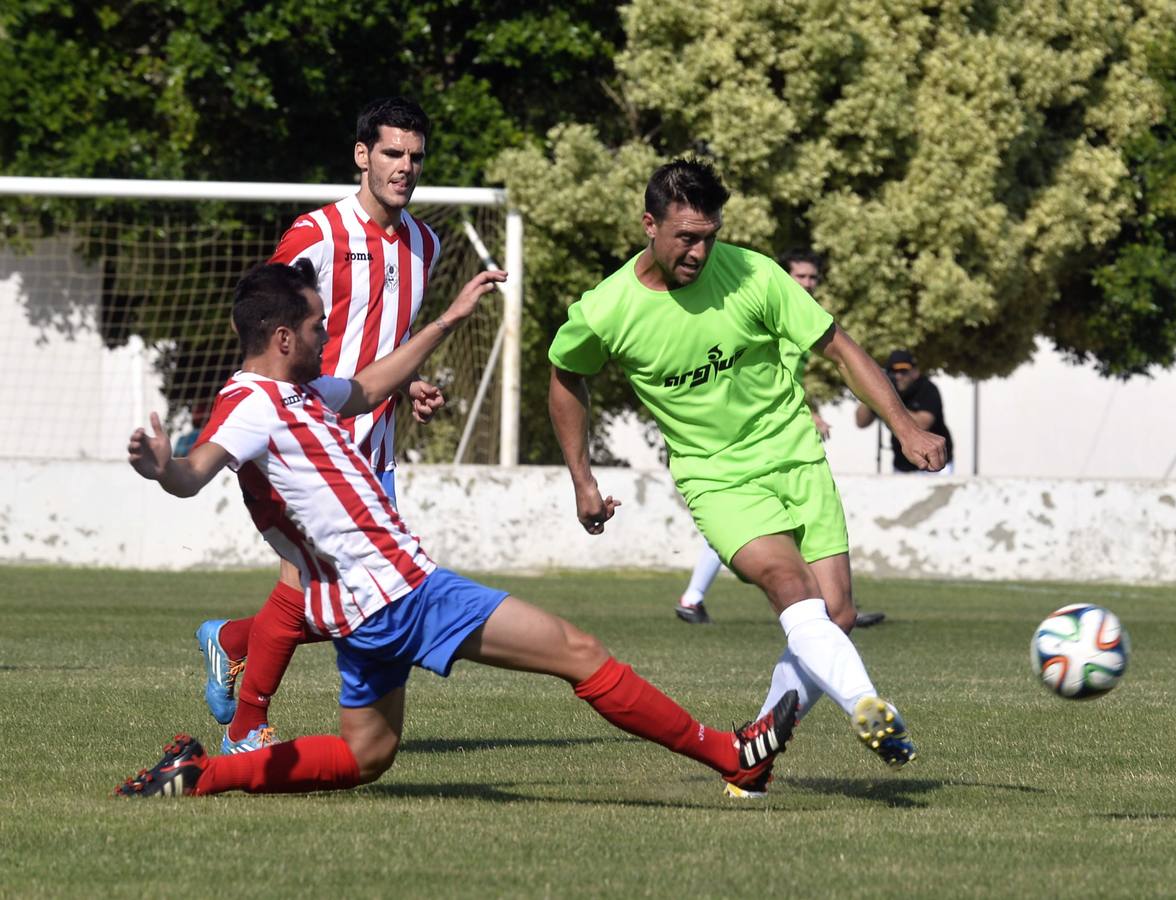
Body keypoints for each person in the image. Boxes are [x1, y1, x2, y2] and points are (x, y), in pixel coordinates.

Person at [115, 260, 797, 799]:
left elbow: (373, 386)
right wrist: (161, 466)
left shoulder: (299, 394)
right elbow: (194, 472)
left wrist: (447, 319)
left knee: (366, 754)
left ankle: (199, 774)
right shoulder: (252, 407)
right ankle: (731, 756)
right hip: (401, 592)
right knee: (577, 650)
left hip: (363, 607)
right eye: (320, 325)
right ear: (283, 337)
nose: (327, 335)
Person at [547, 160, 947, 797]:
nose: (700, 251)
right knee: (790, 585)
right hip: (719, 479)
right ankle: (869, 705)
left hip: (797, 458)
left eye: (709, 235)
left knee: (835, 614)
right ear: (649, 226)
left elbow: (838, 345)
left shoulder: (754, 273)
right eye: (685, 237)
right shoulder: (606, 310)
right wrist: (581, 478)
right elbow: (567, 379)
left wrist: (903, 426)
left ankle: (753, 754)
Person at [193, 97, 449, 755]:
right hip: (311, 440)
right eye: (392, 153)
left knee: (364, 598)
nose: (404, 167)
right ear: (362, 156)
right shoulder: (317, 234)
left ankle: (232, 642)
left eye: (415, 156)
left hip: (377, 444)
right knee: (307, 583)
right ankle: (248, 728)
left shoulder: (426, 243)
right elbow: (266, 318)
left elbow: (379, 340)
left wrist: (408, 383)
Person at [676, 249, 885, 630]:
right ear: (783, 275)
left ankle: (696, 597)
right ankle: (695, 597)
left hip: (762, 446)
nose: (807, 284)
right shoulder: (773, 313)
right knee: (750, 527)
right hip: (748, 447)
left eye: (812, 279)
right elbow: (770, 387)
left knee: (755, 528)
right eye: (800, 277)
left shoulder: (792, 313)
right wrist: (809, 413)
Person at [855, 350, 953, 475]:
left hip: (934, 465)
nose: (898, 376)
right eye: (893, 372)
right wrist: (871, 393)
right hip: (902, 465)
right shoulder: (887, 392)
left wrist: (889, 403)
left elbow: (923, 423)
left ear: (915, 372)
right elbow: (861, 422)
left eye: (903, 371)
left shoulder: (927, 389)